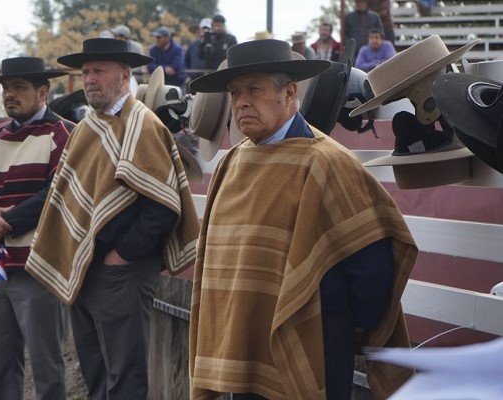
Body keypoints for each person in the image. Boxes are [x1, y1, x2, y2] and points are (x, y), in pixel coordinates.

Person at [187, 39, 417, 399]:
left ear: (290, 93)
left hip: (311, 347)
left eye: (254, 90)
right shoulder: (231, 164)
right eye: (234, 93)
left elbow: (371, 271)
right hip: (240, 347)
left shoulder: (326, 162)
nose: (241, 102)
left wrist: (334, 328)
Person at [25, 38, 200, 399]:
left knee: (125, 377)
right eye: (86, 72)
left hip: (121, 272)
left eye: (98, 71)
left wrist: (121, 256)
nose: (89, 79)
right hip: (85, 270)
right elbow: (68, 195)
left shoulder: (143, 124)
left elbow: (162, 207)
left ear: (124, 75)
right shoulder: (89, 128)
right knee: (96, 374)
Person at [0, 56, 73, 400]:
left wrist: (1, 223)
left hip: (38, 267)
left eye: (19, 87)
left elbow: (56, 192)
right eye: (6, 88)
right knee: (1, 364)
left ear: (43, 91)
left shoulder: (64, 134)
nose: (10, 94)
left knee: (46, 363)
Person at [185, 18, 212, 82]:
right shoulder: (192, 45)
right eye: (204, 28)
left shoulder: (216, 45)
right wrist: (189, 74)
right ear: (200, 29)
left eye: (208, 28)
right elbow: (187, 61)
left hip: (210, 80)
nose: (206, 30)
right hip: (194, 79)